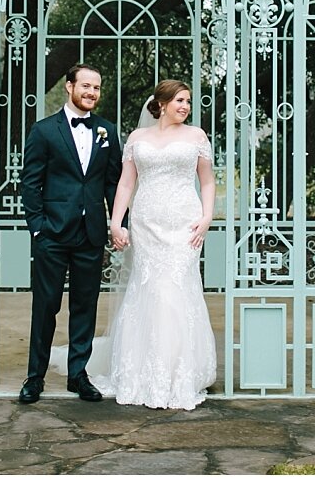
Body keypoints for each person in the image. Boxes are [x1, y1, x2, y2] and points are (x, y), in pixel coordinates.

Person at [93, 79, 218, 409]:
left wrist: (206, 217)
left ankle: (179, 373)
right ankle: (143, 372)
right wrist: (116, 221)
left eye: (188, 102)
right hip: (146, 223)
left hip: (184, 224)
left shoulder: (196, 137)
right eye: (179, 100)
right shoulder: (137, 138)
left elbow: (207, 180)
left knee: (175, 288)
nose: (185, 107)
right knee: (150, 289)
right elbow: (125, 184)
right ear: (161, 103)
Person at [18, 63, 122, 404]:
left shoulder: (107, 131)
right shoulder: (44, 131)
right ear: (69, 86)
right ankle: (35, 377)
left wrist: (117, 222)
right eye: (86, 86)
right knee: (45, 306)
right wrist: (38, 228)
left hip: (90, 234)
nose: (92, 92)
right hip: (52, 234)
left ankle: (78, 375)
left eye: (97, 87)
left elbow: (112, 183)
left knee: (84, 307)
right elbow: (30, 183)